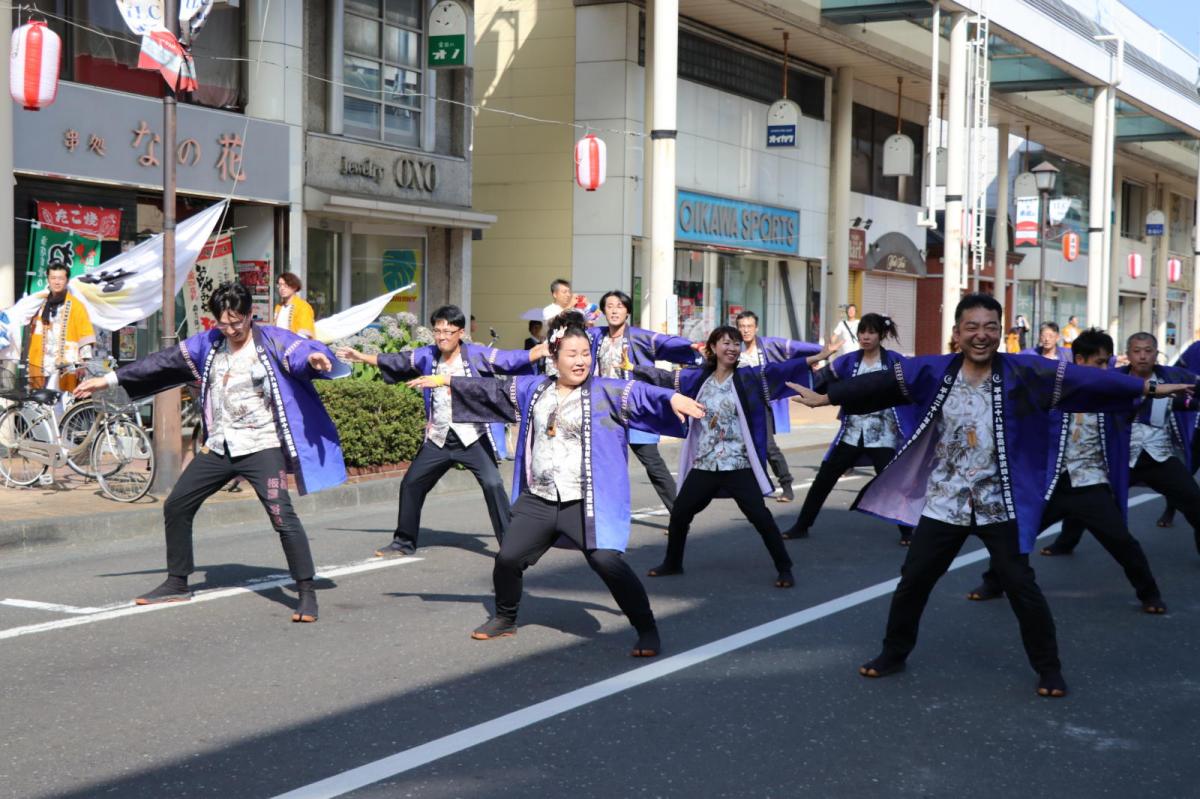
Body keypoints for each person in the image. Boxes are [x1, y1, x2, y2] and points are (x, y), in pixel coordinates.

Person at [788, 293, 1191, 698]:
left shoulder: (1024, 371)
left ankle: (1048, 669)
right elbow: (881, 384)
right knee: (913, 581)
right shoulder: (934, 370)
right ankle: (893, 653)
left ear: (1001, 331)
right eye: (972, 327)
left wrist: (1146, 387)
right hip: (946, 501)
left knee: (1021, 586)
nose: (981, 336)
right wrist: (829, 396)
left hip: (999, 504)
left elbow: (1085, 379)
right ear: (958, 333)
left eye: (990, 327)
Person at [412, 310, 705, 656]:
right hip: (541, 498)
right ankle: (505, 618)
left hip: (585, 501)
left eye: (585, 354)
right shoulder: (535, 389)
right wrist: (447, 382)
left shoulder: (605, 391)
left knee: (607, 563)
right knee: (507, 558)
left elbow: (639, 393)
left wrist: (672, 398)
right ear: (554, 356)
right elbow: (493, 389)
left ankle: (646, 628)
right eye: (572, 354)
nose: (581, 361)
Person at [73, 282, 346, 622]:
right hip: (220, 445)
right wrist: (109, 379)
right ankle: (177, 583)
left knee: (281, 515)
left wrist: (317, 358)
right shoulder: (209, 344)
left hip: (261, 446)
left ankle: (305, 592)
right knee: (177, 505)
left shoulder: (273, 339)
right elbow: (161, 362)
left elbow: (302, 352)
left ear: (250, 315)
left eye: (237, 322)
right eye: (223, 323)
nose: (231, 330)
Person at [965, 329, 1168, 614]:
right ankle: (993, 582)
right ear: (1079, 360)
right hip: (1050, 484)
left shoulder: (1111, 392)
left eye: (1107, 362)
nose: (1104, 368)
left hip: (1090, 482)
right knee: (1017, 535)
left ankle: (1150, 594)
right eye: (1098, 362)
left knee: (1122, 542)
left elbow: (1144, 397)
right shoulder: (1053, 389)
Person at [337, 305, 546, 558]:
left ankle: (511, 546)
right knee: (411, 484)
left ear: (460, 332)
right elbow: (396, 360)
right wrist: (361, 357)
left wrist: (542, 349)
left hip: (472, 437)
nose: (442, 336)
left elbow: (511, 359)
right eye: (437, 330)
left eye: (448, 330)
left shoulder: (476, 355)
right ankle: (403, 542)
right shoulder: (427, 356)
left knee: (493, 484)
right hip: (438, 438)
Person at [635, 326, 828, 588]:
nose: (732, 348)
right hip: (705, 464)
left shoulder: (748, 377)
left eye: (736, 343)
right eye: (726, 343)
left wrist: (812, 359)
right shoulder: (697, 379)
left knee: (761, 518)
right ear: (713, 347)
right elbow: (667, 379)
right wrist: (637, 370)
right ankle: (672, 562)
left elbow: (778, 371)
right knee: (680, 513)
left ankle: (785, 568)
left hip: (737, 464)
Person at [1043, 332, 1200, 554]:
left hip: (1159, 456)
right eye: (1137, 351)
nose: (1143, 356)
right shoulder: (1111, 378)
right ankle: (1065, 542)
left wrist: (1187, 403)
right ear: (1128, 355)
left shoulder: (1172, 377)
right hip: (1119, 456)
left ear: (1157, 354)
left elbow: (1192, 394)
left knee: (1194, 499)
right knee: (1086, 495)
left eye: (1148, 351)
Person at [783, 313, 916, 545]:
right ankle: (802, 525)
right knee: (823, 479)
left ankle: (907, 532)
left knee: (892, 481)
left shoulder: (896, 361)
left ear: (881, 335)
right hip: (851, 432)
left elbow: (915, 386)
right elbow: (821, 379)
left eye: (871, 332)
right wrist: (799, 382)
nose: (865, 336)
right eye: (862, 332)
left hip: (883, 435)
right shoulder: (848, 361)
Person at [589, 289, 702, 513]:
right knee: (604, 464)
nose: (614, 310)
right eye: (609, 306)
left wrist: (690, 347)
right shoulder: (596, 336)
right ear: (603, 311)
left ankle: (679, 515)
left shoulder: (639, 336)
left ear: (628, 312)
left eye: (619, 306)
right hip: (605, 408)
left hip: (634, 406)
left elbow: (665, 342)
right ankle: (604, 514)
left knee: (653, 464)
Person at [735, 310, 840, 502]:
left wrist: (819, 352)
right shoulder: (734, 349)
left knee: (768, 447)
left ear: (756, 328)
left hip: (760, 405)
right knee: (740, 448)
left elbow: (793, 348)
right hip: (737, 406)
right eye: (742, 327)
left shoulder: (767, 345)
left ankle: (786, 485)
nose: (745, 330)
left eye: (749, 326)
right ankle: (753, 486)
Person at [26, 261, 95, 392]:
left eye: (60, 278)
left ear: (67, 280)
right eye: (53, 278)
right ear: (48, 279)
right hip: (40, 361)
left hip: (65, 363)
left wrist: (84, 363)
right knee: (37, 403)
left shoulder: (76, 305)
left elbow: (85, 335)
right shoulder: (38, 302)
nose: (56, 282)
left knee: (61, 405)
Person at [273, 272, 316, 339]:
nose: (282, 288)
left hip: (296, 346)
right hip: (278, 345)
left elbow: (305, 334)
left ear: (295, 287)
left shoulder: (303, 306)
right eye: (280, 285)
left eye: (286, 285)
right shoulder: (278, 307)